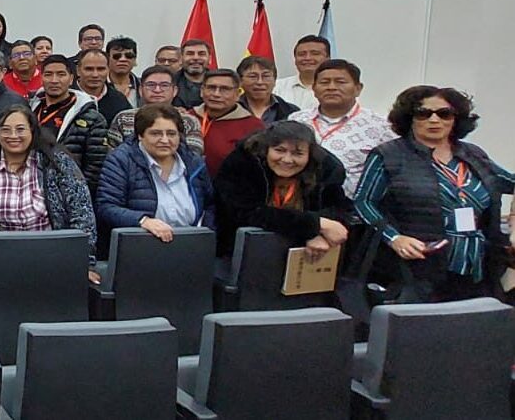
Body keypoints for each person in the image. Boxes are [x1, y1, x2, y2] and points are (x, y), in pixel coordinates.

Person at [354, 86, 515, 302]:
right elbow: (363, 202)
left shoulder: (473, 154)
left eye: (444, 114)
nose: (434, 120)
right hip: (418, 266)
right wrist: (394, 238)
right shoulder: (388, 154)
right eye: (423, 113)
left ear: (455, 119)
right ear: (409, 118)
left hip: (477, 264)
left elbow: (509, 182)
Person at [0, 106, 98, 272]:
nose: (13, 136)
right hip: (5, 262)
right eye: (5, 130)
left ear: (33, 131)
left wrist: (83, 263)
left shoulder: (57, 164)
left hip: (56, 259)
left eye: (20, 129)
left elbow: (83, 215)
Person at [213, 121, 349, 258]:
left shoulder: (325, 169)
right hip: (237, 253)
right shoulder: (242, 163)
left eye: (298, 153)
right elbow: (246, 213)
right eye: (280, 150)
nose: (287, 160)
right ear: (266, 149)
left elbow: (340, 210)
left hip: (306, 256)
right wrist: (314, 226)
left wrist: (318, 234)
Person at [95, 105, 215, 255]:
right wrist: (143, 221)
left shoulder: (194, 163)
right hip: (140, 249)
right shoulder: (121, 160)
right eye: (155, 133)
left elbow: (210, 205)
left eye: (171, 133)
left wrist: (204, 234)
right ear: (140, 135)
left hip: (190, 247)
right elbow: (107, 207)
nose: (164, 140)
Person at [289, 59, 395, 199]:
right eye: (324, 82)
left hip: (353, 211)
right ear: (314, 89)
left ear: (358, 88)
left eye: (340, 82)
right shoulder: (296, 120)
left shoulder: (381, 126)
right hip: (300, 205)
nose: (331, 87)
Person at [28, 55, 109, 194]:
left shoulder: (91, 118)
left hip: (69, 193)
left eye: (61, 74)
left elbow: (95, 168)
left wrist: (77, 194)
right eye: (48, 74)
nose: (54, 80)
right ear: (41, 78)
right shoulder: (29, 110)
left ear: (71, 78)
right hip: (30, 190)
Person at [107, 65, 204, 156]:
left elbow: (193, 156)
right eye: (151, 85)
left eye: (164, 85)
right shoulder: (123, 118)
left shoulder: (189, 121)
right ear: (140, 90)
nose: (157, 90)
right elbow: (113, 154)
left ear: (174, 91)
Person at [195, 69, 264, 177]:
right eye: (211, 88)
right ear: (202, 91)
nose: (216, 94)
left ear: (237, 94)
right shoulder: (186, 118)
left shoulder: (253, 126)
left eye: (224, 89)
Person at [274, 35, 330, 111]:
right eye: (302, 54)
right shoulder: (276, 87)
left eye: (315, 53)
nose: (307, 58)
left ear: (327, 58)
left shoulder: (336, 89)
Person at [237, 55, 299, 124]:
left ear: (275, 80)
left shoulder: (292, 112)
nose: (260, 82)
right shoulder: (229, 110)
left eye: (266, 76)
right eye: (253, 76)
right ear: (240, 81)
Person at [74, 49, 132, 122]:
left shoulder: (119, 101)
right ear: (78, 71)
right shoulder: (65, 98)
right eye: (89, 69)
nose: (95, 75)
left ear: (108, 70)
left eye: (101, 69)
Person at [173, 39, 211, 109]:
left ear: (210, 59)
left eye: (201, 54)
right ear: (181, 59)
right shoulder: (170, 82)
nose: (195, 58)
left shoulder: (222, 82)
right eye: (190, 54)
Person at [106, 37, 139, 106]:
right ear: (107, 59)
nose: (123, 59)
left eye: (129, 56)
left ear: (135, 60)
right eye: (116, 56)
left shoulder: (143, 86)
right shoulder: (99, 86)